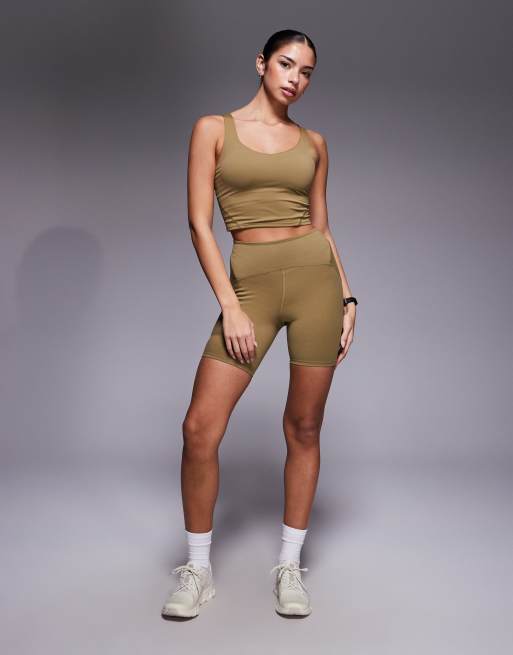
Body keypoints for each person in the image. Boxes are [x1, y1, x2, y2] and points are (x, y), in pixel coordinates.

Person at [162, 29, 357, 619]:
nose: (295, 78)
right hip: (248, 288)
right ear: (261, 63)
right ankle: (198, 569)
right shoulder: (212, 129)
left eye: (306, 71)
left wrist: (348, 297)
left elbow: (321, 226)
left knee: (304, 427)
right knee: (200, 428)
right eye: (286, 64)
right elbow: (199, 223)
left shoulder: (315, 143)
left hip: (317, 283)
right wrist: (230, 304)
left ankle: (290, 566)